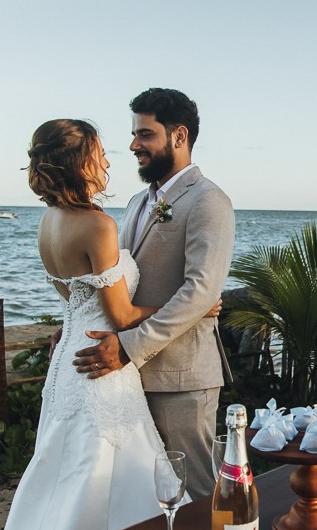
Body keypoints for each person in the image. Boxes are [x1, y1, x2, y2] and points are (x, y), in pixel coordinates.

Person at [0, 119, 197, 530]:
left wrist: (76, 325)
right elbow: (119, 316)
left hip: (71, 356)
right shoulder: (97, 226)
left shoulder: (49, 221)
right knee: (99, 469)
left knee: (62, 468)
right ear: (79, 162)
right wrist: (191, 307)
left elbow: (73, 301)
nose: (109, 163)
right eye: (100, 154)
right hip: (100, 362)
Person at [72, 88, 235, 498]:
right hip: (126, 379)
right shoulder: (135, 203)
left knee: (197, 489)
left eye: (145, 134)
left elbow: (201, 291)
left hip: (182, 375)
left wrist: (129, 345)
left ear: (178, 136)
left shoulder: (208, 200)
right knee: (146, 490)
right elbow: (113, 279)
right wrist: (80, 322)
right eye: (134, 134)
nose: (133, 145)